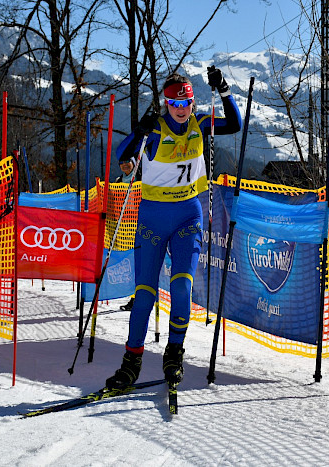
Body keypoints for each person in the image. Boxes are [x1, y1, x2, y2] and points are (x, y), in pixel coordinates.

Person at [106, 66, 242, 389]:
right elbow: (121, 155)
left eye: (186, 104)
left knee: (182, 288)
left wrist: (223, 88)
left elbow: (234, 123)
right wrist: (140, 130)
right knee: (144, 297)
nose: (181, 111)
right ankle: (131, 362)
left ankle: (174, 353)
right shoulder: (155, 132)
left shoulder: (200, 124)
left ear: (193, 104)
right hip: (152, 221)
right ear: (166, 105)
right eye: (174, 105)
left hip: (187, 218)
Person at [115, 157, 140, 311]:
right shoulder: (118, 181)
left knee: (137, 263)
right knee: (126, 263)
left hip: (138, 226)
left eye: (127, 162)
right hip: (123, 228)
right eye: (121, 162)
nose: (124, 165)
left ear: (134, 163)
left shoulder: (140, 179)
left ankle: (136, 298)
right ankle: (131, 295)